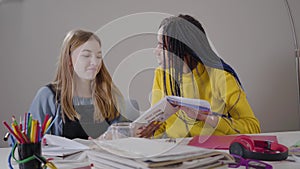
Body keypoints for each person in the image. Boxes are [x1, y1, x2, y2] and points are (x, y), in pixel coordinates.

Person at [140, 14, 261, 138]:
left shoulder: (221, 77)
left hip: (214, 150)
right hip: (176, 152)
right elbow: (159, 125)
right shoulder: (162, 75)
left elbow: (253, 128)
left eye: (161, 45)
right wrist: (148, 133)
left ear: (182, 48)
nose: (156, 51)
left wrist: (208, 118)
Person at [28, 29, 128, 139]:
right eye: (86, 56)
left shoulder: (108, 94)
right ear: (69, 60)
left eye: (99, 56)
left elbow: (122, 131)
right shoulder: (48, 95)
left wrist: (123, 133)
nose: (95, 62)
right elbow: (28, 141)